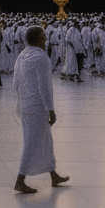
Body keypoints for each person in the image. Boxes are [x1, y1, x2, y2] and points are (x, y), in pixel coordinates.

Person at [12, 26, 69, 193]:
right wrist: (50, 109)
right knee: (31, 142)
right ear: (38, 39)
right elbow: (44, 86)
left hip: (25, 104)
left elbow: (16, 82)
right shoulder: (41, 57)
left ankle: (54, 176)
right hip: (37, 106)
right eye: (43, 36)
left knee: (44, 139)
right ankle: (20, 180)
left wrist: (19, 103)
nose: (46, 38)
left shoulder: (23, 55)